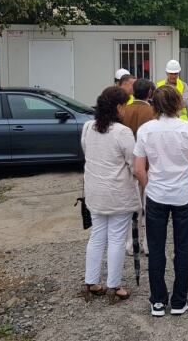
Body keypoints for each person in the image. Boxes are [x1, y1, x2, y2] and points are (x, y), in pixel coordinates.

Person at [133, 85, 188, 317]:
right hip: (183, 194)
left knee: (156, 248)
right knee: (182, 249)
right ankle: (180, 301)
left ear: (154, 104)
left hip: (156, 195)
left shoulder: (146, 130)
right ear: (177, 103)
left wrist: (149, 186)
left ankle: (158, 302)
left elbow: (139, 168)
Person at [81, 86, 141, 303]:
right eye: (125, 105)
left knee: (97, 235)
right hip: (118, 193)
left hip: (95, 191)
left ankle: (91, 281)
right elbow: (134, 165)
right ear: (118, 107)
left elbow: (87, 151)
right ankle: (114, 286)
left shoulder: (88, 127)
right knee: (116, 238)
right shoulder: (122, 132)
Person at [122, 78, 156, 256]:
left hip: (127, 165)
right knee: (148, 206)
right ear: (150, 93)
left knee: (132, 207)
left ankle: (130, 243)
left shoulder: (124, 111)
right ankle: (148, 244)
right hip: (148, 165)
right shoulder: (152, 113)